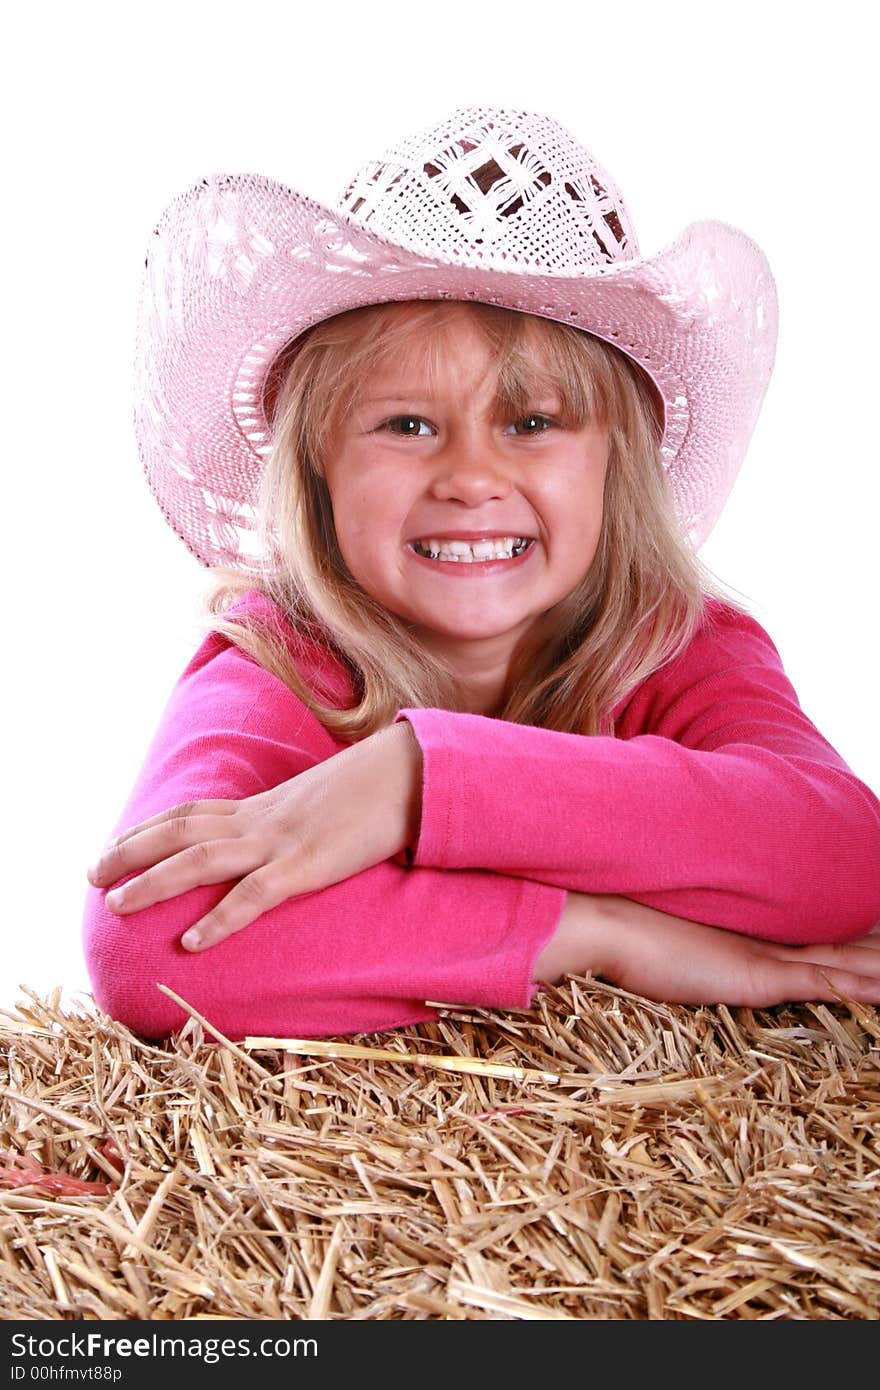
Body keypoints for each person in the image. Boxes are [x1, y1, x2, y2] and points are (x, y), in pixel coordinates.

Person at [83, 106, 880, 1042]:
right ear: (316, 470)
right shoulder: (278, 664)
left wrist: (422, 781)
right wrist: (596, 933)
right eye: (407, 425)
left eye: (532, 423)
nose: (469, 479)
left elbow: (843, 857)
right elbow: (150, 947)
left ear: (617, 465)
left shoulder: (675, 646)